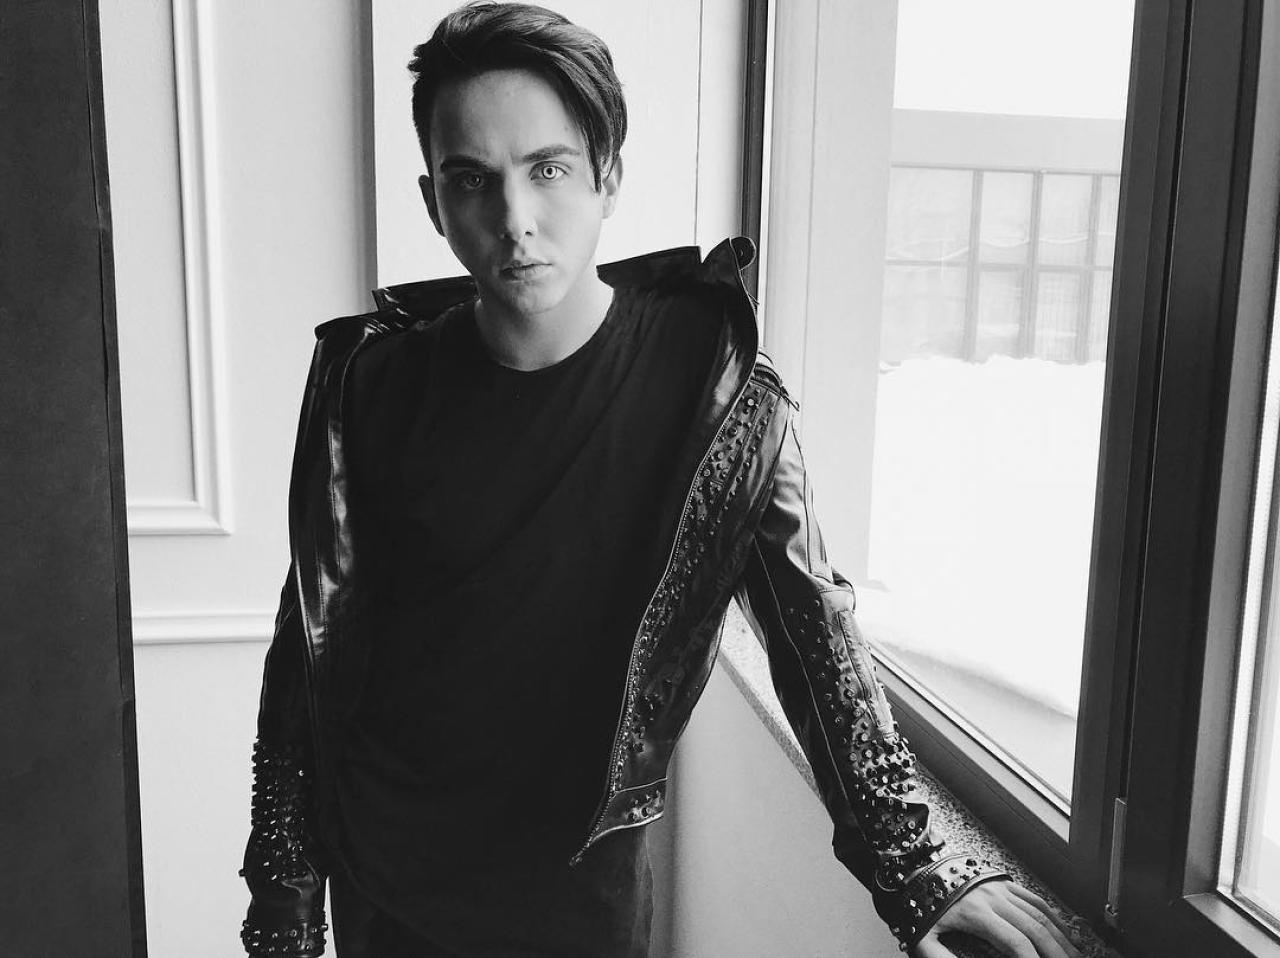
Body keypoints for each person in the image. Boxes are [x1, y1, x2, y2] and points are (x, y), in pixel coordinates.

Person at [239, 4, 1082, 957]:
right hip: (385, 877)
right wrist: (284, 903)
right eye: (473, 180)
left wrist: (916, 866)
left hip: (577, 890)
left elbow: (811, 622)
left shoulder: (715, 387)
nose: (514, 220)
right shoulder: (369, 386)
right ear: (434, 202)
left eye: (548, 169)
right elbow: (308, 654)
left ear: (607, 176)